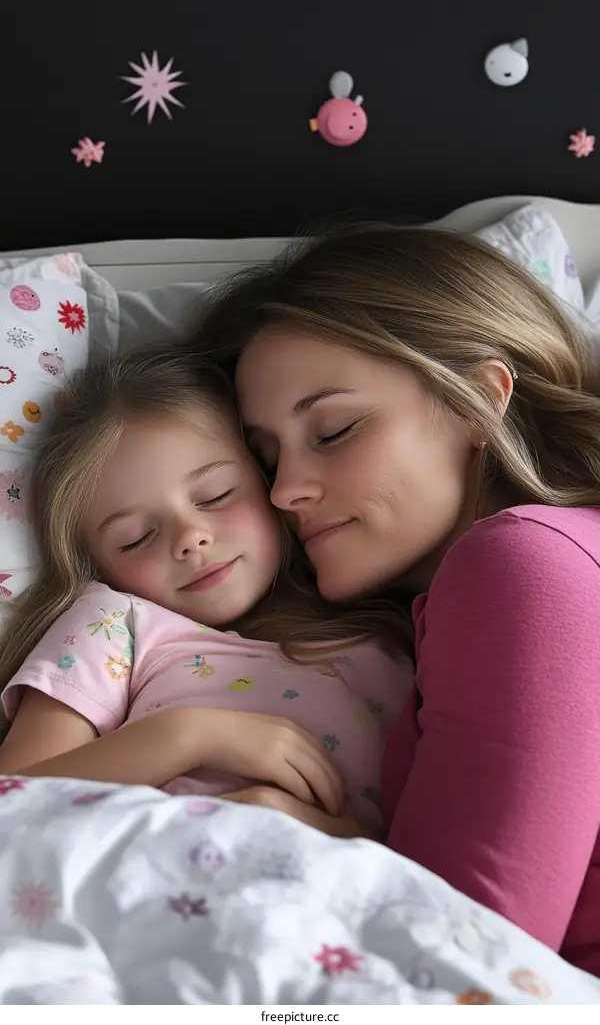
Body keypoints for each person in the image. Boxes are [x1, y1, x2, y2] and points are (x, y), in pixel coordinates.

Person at [190, 224, 600, 977]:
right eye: (268, 456)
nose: (285, 491)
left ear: (479, 401)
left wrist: (312, 842)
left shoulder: (525, 561)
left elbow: (467, 961)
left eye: (335, 429)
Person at [0, 349, 413, 839]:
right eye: (136, 537)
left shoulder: (397, 638)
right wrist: (189, 736)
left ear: (270, 481)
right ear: (99, 565)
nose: (190, 537)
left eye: (216, 495)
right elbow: (14, 798)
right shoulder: (115, 623)